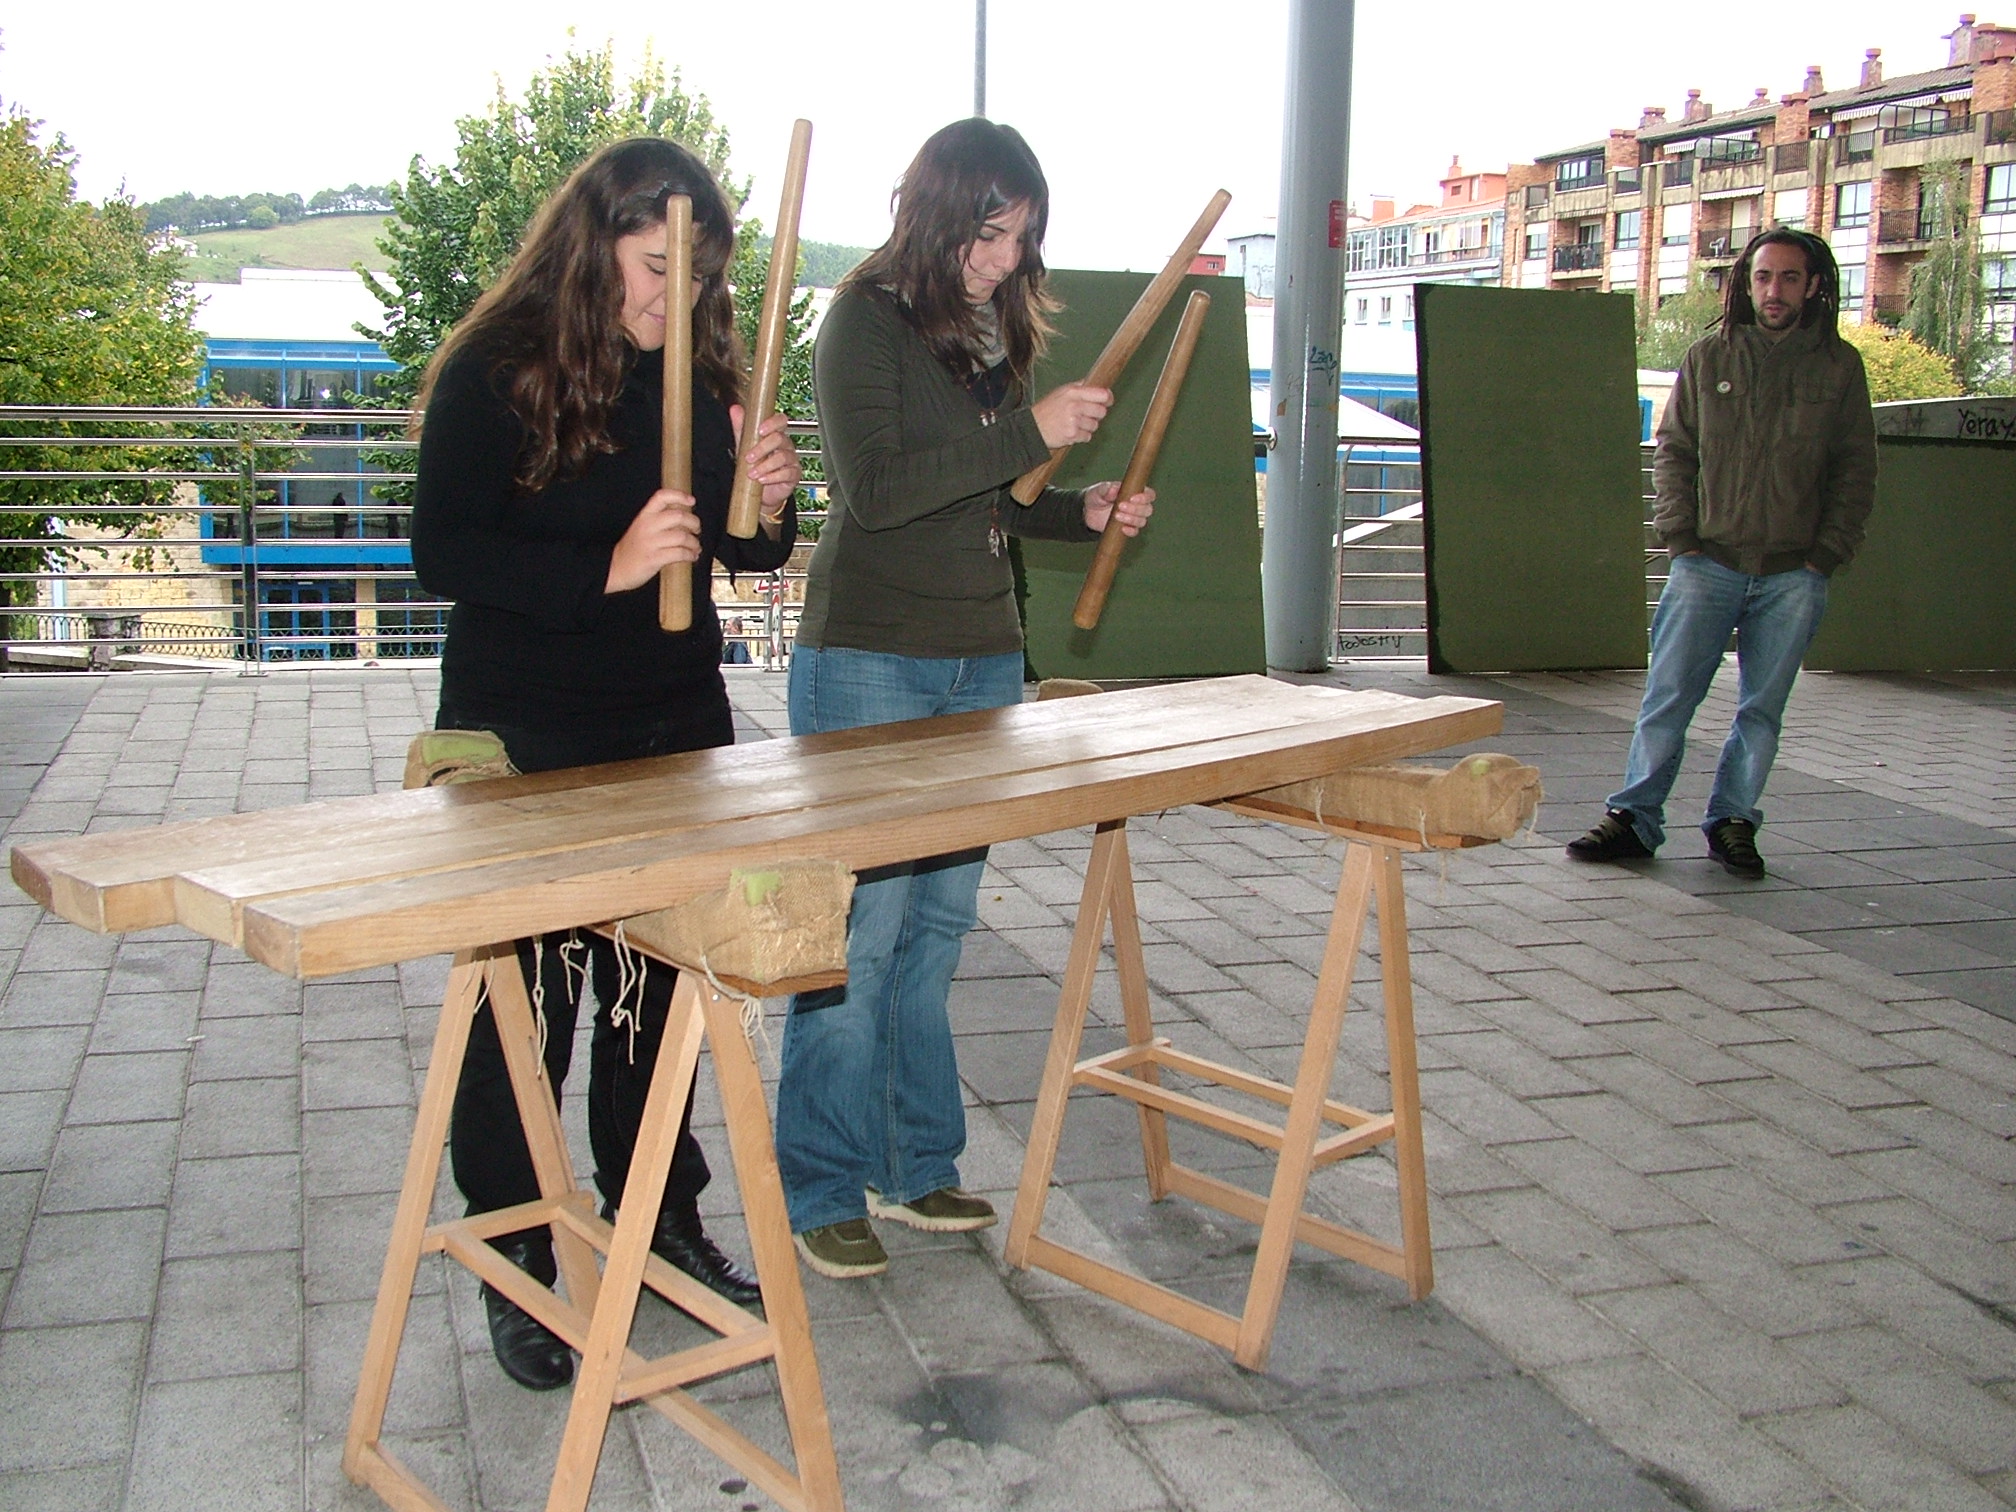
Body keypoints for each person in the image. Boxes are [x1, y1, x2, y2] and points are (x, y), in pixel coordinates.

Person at [410, 136, 802, 1389]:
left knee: (658, 996)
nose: (676, 299)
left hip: (671, 723)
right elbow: (442, 550)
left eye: (697, 278)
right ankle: (520, 1254)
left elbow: (743, 554)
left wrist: (772, 500)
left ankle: (660, 1217)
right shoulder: (499, 368)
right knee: (526, 1011)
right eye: (653, 268)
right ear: (595, 249)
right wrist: (608, 568)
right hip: (527, 728)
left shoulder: (694, 370)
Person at [773, 118, 1154, 1280]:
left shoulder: (1000, 333)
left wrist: (1076, 508)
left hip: (982, 659)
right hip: (871, 658)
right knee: (857, 935)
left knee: (935, 932)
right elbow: (879, 492)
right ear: (936, 214)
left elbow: (994, 498)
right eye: (988, 234)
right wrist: (1029, 431)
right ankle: (822, 1188)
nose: (1003, 259)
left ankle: (913, 1165)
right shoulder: (863, 319)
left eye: (1021, 237)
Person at [1567, 227, 1876, 878]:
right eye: (1763, 277)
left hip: (1795, 573)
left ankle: (1733, 821)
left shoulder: (1839, 366)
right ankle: (1634, 818)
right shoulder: (1709, 357)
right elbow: (1675, 451)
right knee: (1667, 698)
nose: (1774, 290)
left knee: (1761, 710)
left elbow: (1856, 468)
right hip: (1706, 563)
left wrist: (1827, 554)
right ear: (1746, 283)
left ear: (1812, 286)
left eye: (1789, 278)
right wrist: (1681, 539)